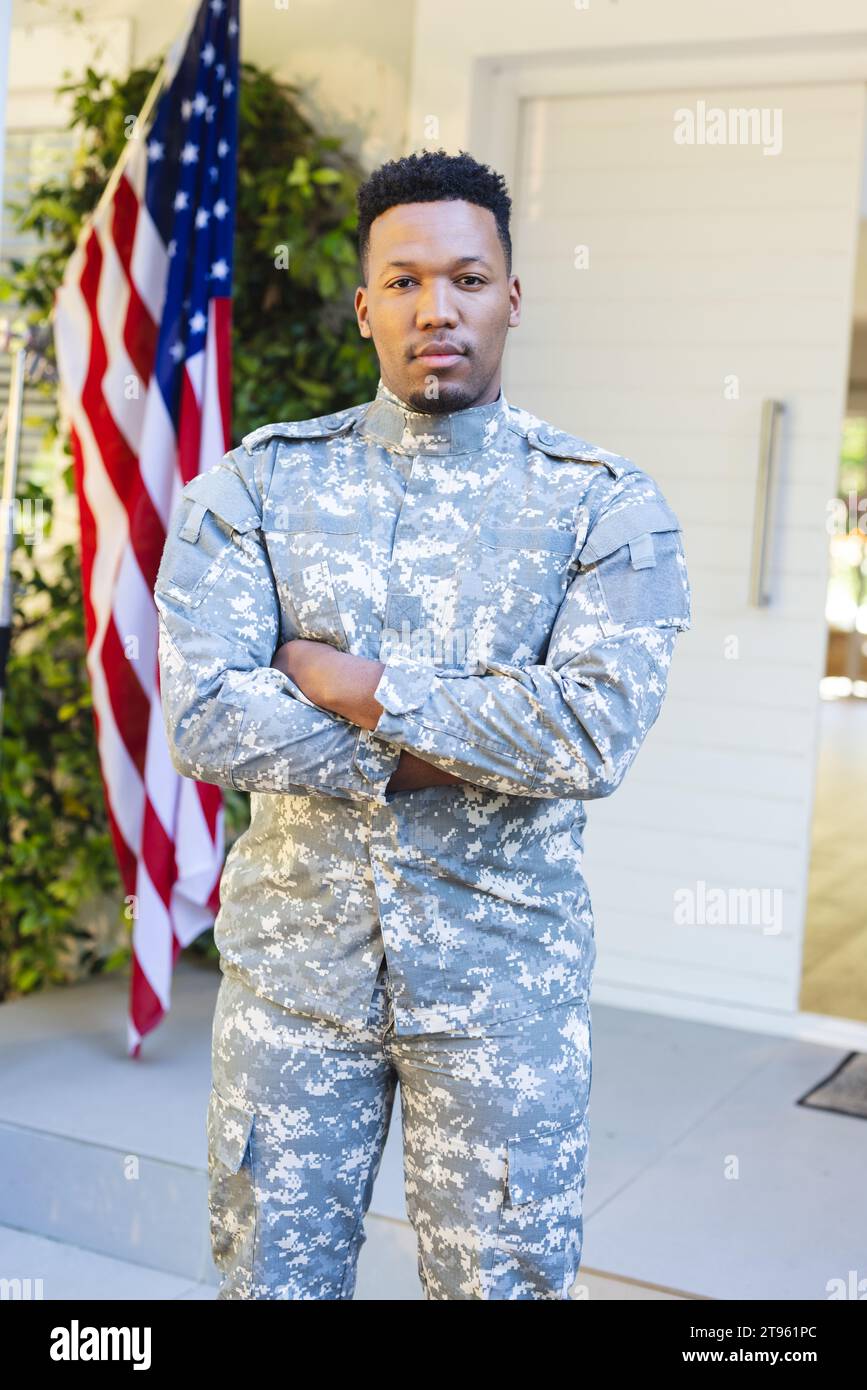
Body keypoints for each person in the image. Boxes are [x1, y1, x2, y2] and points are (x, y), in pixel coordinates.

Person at [154, 148, 692, 1300]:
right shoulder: (255, 491)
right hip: (294, 988)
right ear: (364, 305)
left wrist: (355, 684)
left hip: (503, 998)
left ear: (511, 296)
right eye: (402, 281)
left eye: (465, 277)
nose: (434, 308)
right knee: (267, 1285)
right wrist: (463, 746)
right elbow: (206, 717)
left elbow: (587, 736)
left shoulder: (603, 504)